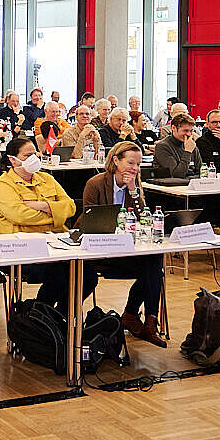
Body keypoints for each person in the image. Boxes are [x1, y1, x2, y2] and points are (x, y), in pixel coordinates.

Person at [81, 142, 166, 346]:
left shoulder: (134, 185)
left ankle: (149, 320)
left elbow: (143, 217)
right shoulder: (96, 184)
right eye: (130, 163)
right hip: (100, 250)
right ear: (115, 161)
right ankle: (132, 315)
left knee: (155, 263)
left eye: (138, 164)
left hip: (127, 248)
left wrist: (133, 191)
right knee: (152, 270)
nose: (135, 168)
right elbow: (90, 220)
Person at [0, 136, 75, 310]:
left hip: (55, 243)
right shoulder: (3, 184)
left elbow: (71, 206)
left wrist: (44, 206)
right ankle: (42, 312)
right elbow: (20, 215)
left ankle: (57, 315)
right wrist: (56, 214)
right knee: (60, 274)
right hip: (21, 248)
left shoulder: (47, 178)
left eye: (35, 154)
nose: (34, 158)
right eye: (27, 156)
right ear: (13, 160)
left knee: (87, 275)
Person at [152, 113, 202, 179]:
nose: (189, 134)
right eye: (185, 130)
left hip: (192, 183)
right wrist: (188, 152)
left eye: (191, 131)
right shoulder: (162, 146)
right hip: (171, 184)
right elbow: (177, 175)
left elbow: (201, 172)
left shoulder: (192, 145)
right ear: (173, 128)